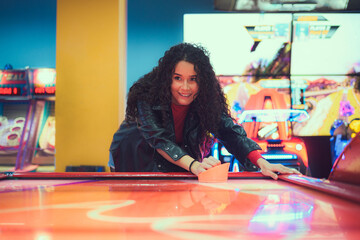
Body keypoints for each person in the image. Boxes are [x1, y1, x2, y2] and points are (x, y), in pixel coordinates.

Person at [109, 43, 300, 179]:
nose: (185, 87)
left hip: (179, 160)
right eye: (177, 78)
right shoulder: (146, 93)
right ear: (167, 77)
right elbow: (158, 139)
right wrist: (195, 165)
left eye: (193, 79)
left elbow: (229, 132)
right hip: (132, 153)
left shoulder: (206, 99)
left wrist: (262, 163)